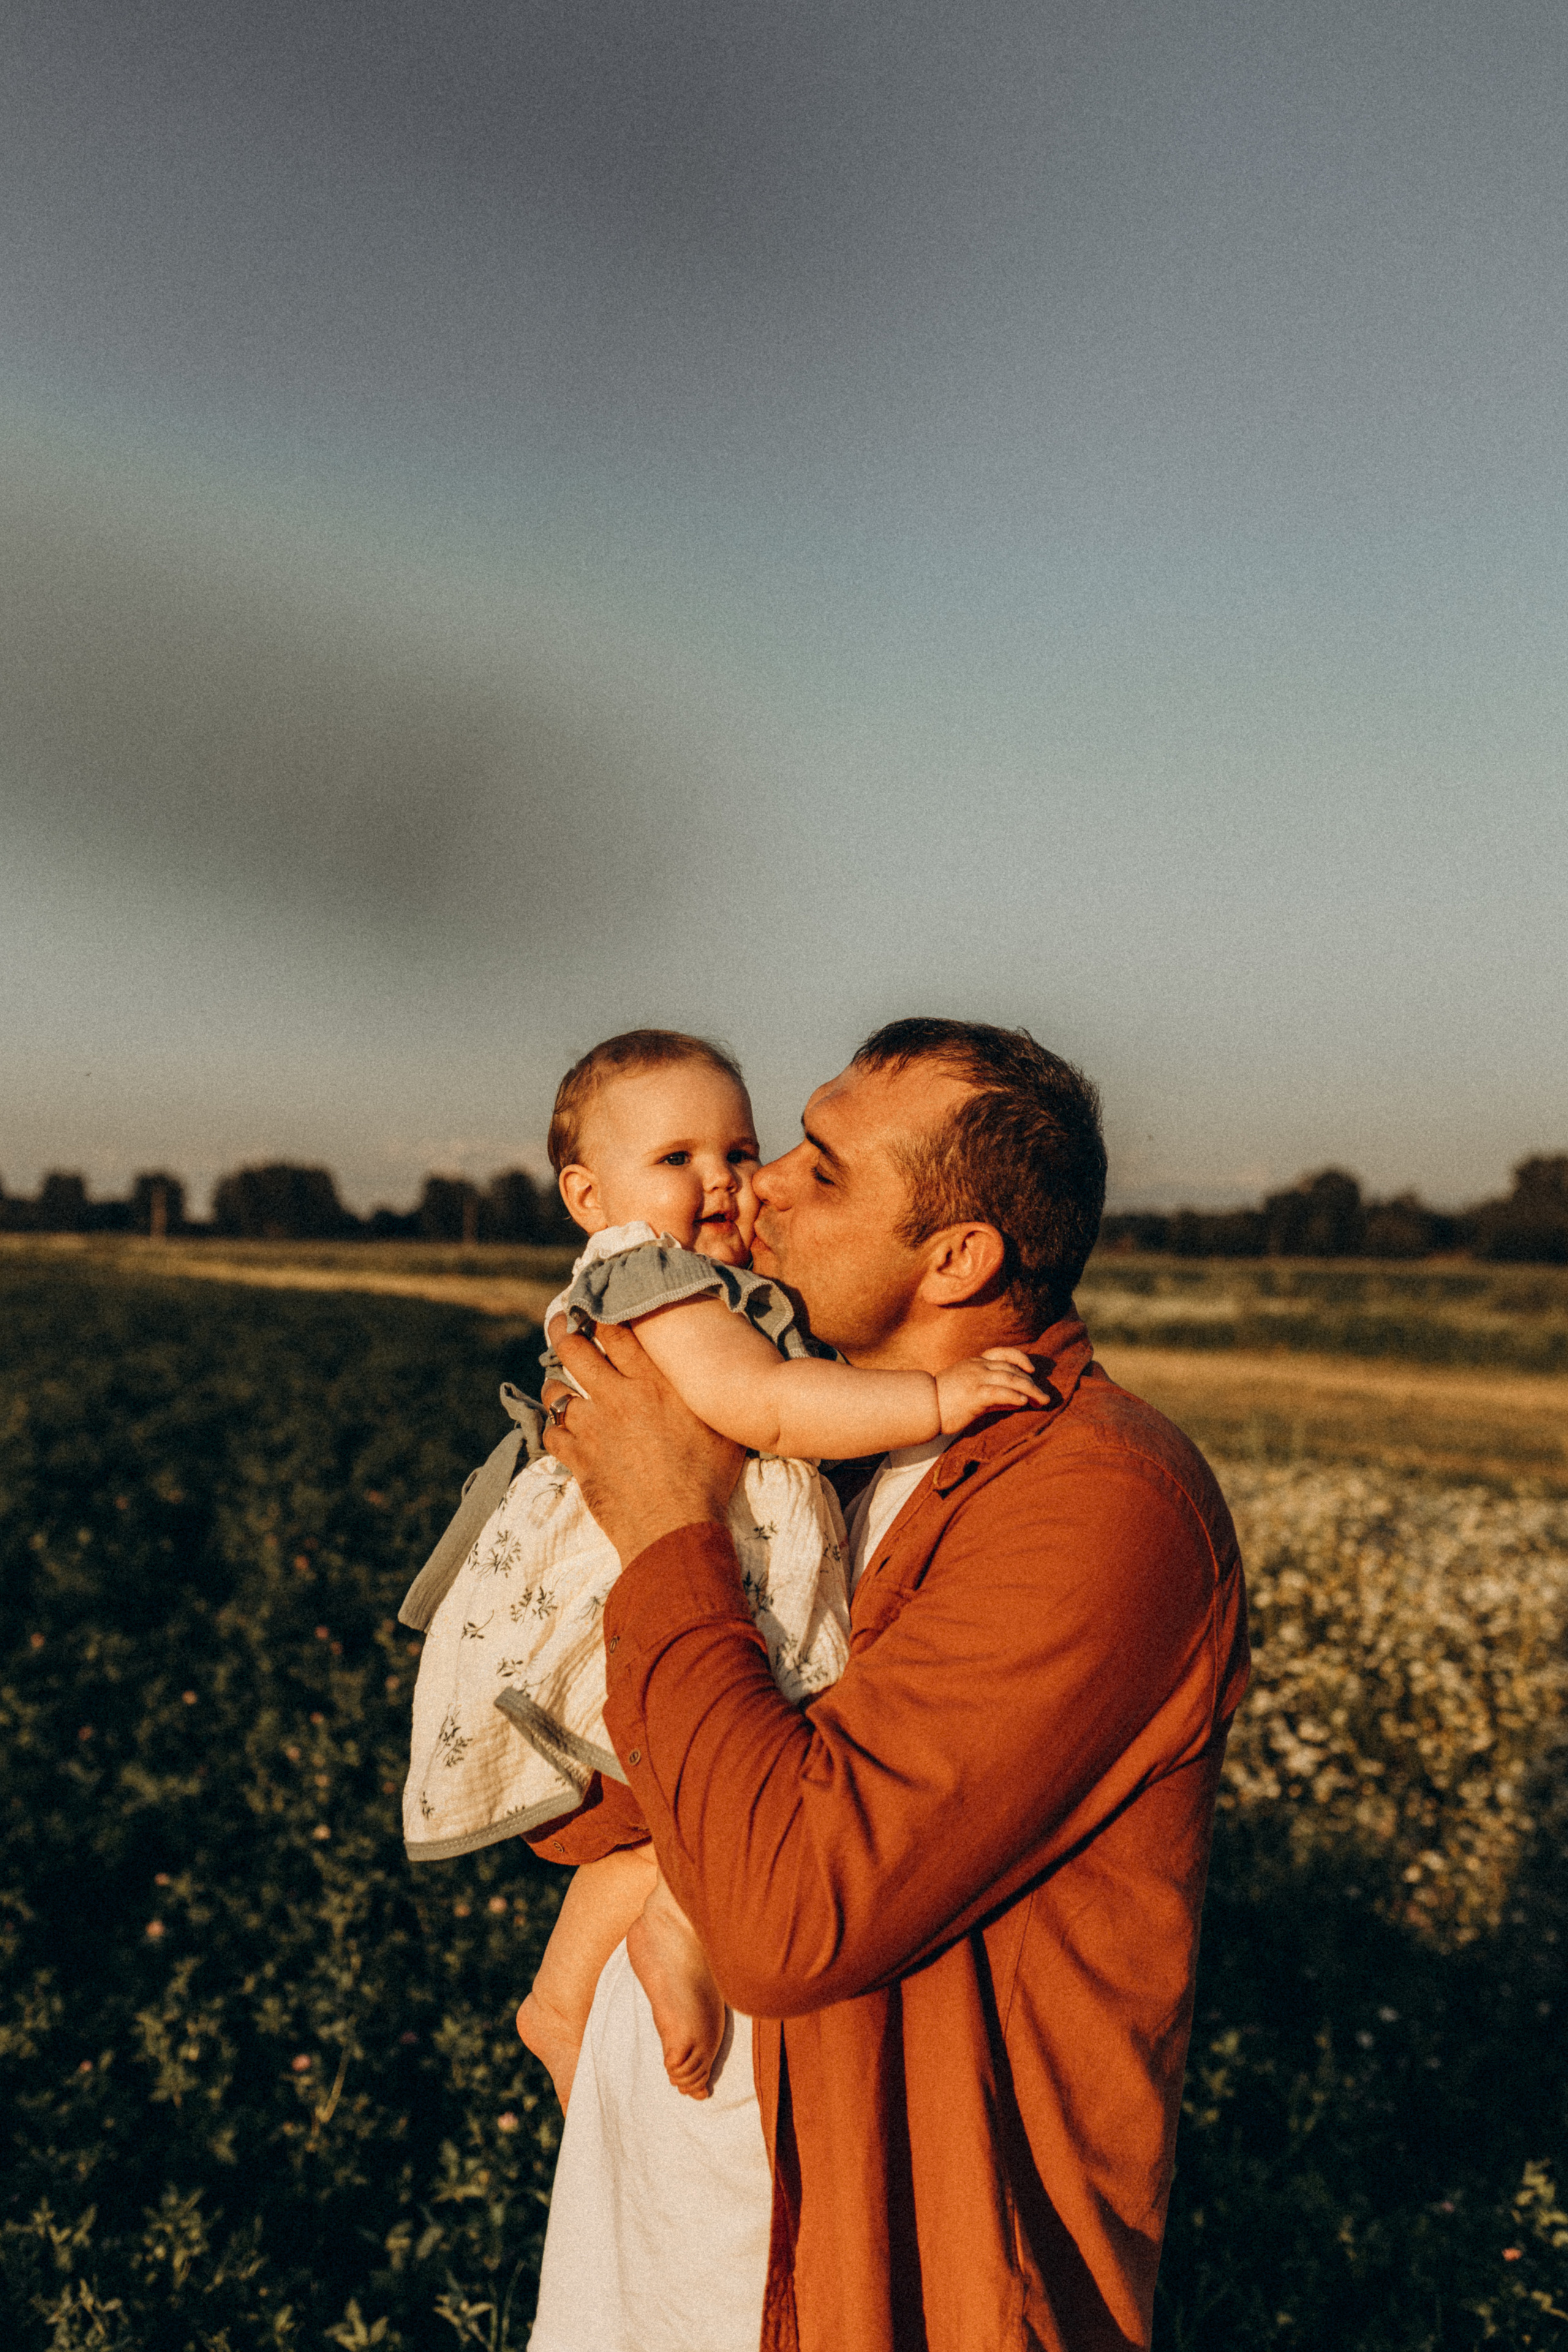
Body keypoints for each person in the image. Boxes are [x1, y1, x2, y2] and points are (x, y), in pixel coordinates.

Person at [524, 1018, 1249, 2352]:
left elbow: (784, 1915)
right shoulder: (809, 1451)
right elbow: (587, 1803)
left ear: (958, 1257)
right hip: (672, 2217)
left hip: (867, 2263)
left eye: (822, 1167)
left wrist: (662, 1530)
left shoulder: (1096, 1502)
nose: (763, 1184)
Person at [401, 1029, 1047, 2109]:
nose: (725, 1182)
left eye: (737, 1152)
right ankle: (657, 1937)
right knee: (725, 1766)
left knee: (692, 1792)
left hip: (693, 1557)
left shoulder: (711, 1281)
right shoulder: (654, 1281)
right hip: (634, 1584)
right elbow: (762, 1407)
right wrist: (935, 1402)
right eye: (676, 1159)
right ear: (586, 1193)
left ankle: (569, 1990)